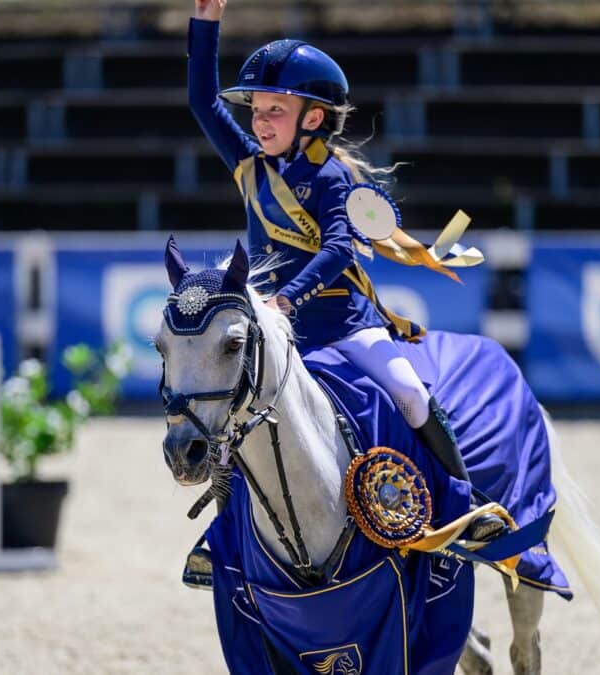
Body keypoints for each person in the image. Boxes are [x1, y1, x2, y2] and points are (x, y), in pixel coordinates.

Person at [188, 0, 470, 480]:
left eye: (275, 110)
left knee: (410, 395)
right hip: (278, 332)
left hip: (344, 326)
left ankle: (468, 501)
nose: (259, 121)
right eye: (256, 110)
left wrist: (286, 300)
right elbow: (203, 102)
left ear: (313, 119)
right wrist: (206, 22)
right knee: (228, 417)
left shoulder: (331, 176)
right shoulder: (249, 166)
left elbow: (338, 249)